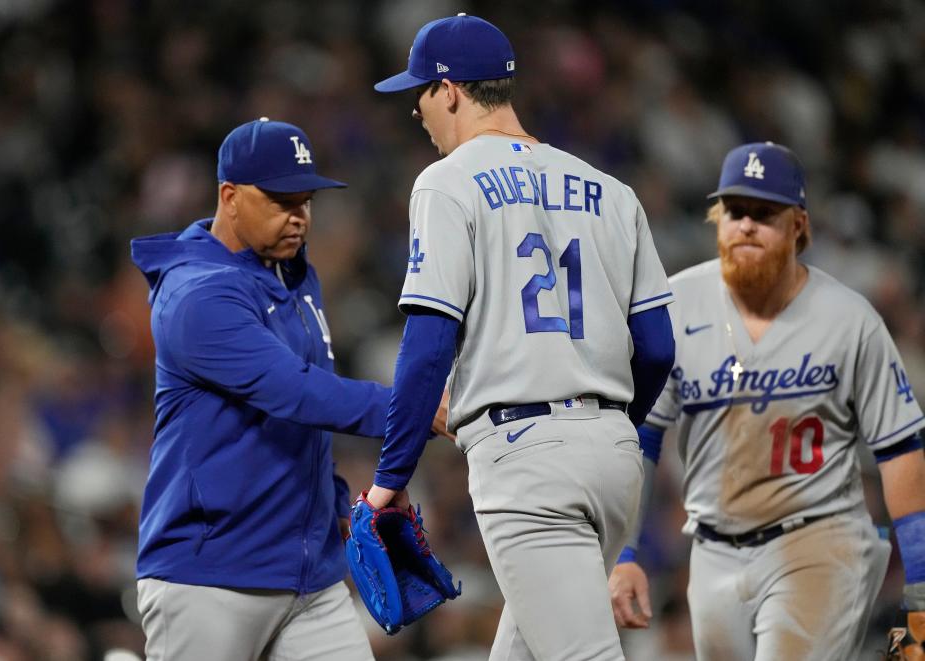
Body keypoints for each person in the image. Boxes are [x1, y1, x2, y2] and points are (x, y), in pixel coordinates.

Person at [364, 14, 676, 660]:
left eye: (419, 94)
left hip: (528, 459)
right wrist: (611, 423)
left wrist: (388, 478)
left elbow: (428, 344)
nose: (417, 112)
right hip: (614, 456)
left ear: (449, 90)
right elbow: (657, 347)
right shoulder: (612, 191)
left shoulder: (446, 182)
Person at [609, 141, 925, 660]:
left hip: (821, 538)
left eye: (764, 213)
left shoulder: (849, 319)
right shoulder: (676, 304)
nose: (747, 225)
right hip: (713, 550)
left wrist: (918, 589)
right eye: (735, 212)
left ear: (799, 224)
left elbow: (898, 451)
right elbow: (640, 437)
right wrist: (624, 552)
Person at [129, 118, 430, 661]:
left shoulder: (292, 273)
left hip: (310, 576)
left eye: (305, 200)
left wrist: (334, 502)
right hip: (211, 576)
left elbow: (298, 422)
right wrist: (420, 408)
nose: (298, 216)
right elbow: (297, 393)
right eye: (279, 200)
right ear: (230, 196)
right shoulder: (198, 295)